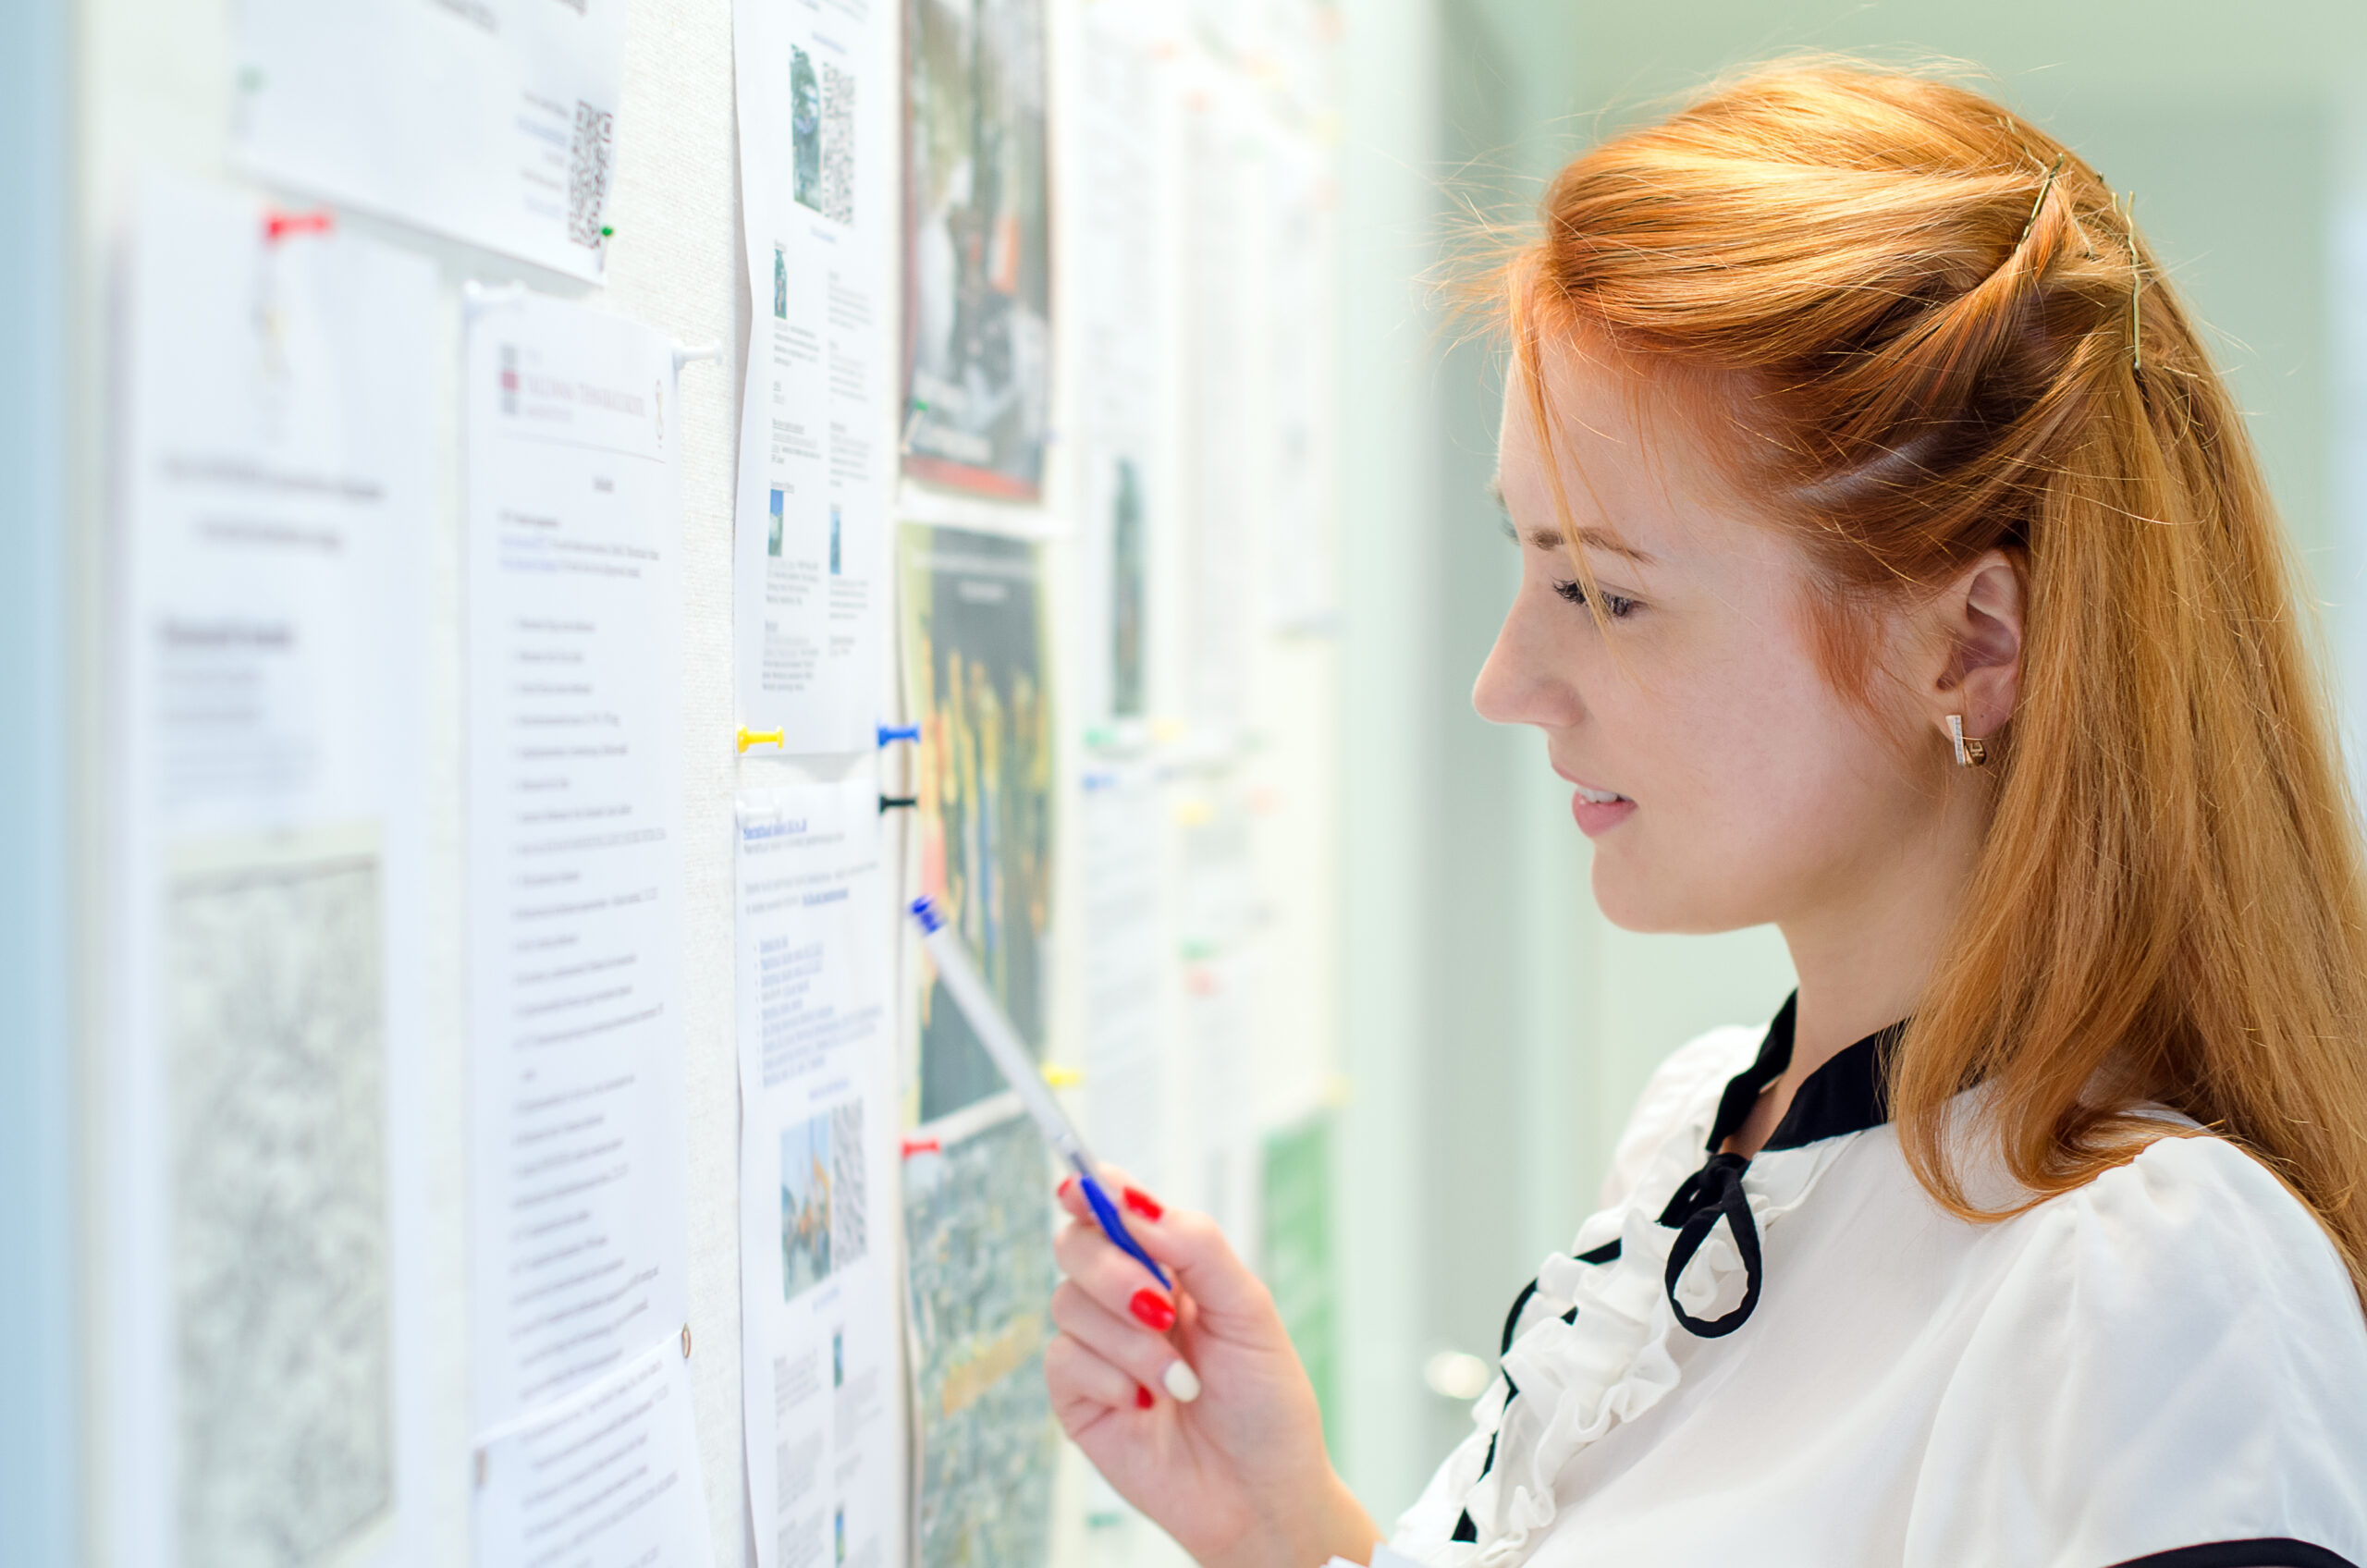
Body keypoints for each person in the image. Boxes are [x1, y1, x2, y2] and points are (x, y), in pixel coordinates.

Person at [1041, 59, 2367, 1568]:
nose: (1507, 681)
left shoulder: (2148, 1281)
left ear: (1972, 644)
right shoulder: (1704, 1137)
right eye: (1523, 559)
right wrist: (1290, 1534)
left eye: (1602, 593)